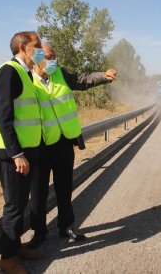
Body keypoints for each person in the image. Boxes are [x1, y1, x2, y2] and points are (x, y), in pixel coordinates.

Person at [28, 43, 117, 249]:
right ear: (36, 58)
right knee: (39, 192)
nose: (54, 60)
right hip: (40, 145)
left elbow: (83, 79)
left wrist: (103, 76)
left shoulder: (61, 74)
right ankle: (39, 232)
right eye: (49, 56)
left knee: (64, 187)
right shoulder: (26, 79)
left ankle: (66, 226)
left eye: (55, 55)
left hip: (63, 142)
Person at [0, 31, 46, 273]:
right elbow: (4, 117)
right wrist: (17, 154)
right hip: (12, 155)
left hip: (25, 153)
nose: (41, 49)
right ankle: (8, 260)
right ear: (23, 47)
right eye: (38, 44)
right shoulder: (8, 70)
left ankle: (16, 248)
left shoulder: (26, 73)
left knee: (21, 204)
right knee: (13, 206)